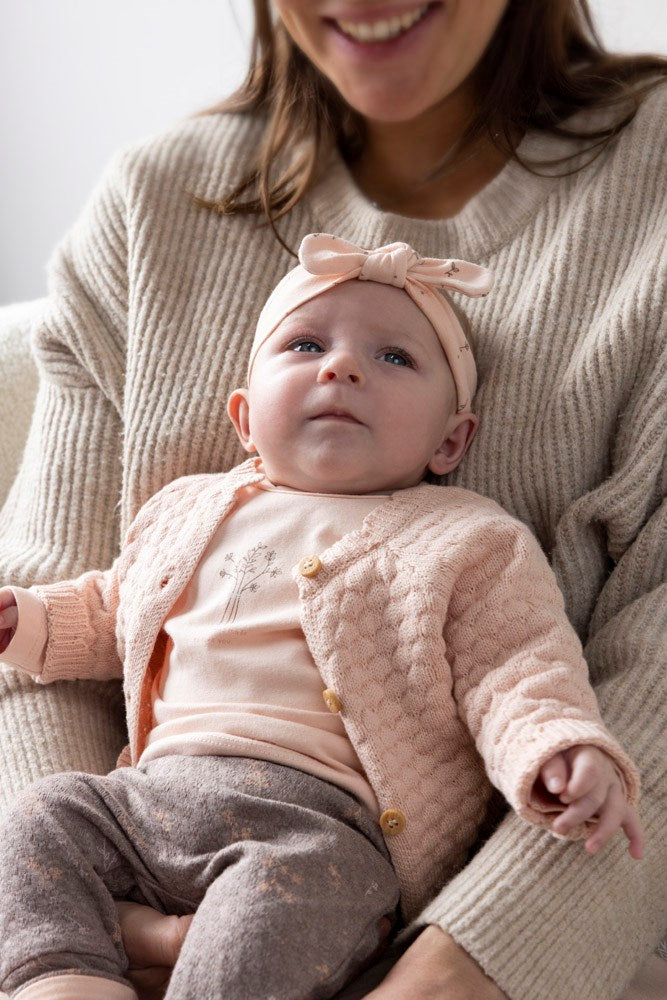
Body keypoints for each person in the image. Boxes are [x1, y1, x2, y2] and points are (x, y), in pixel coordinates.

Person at [0, 2, 664, 998]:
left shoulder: (466, 543)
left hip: (357, 879)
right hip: (135, 826)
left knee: (287, 895)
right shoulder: (189, 495)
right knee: (34, 825)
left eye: (394, 357)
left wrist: (553, 773)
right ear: (241, 412)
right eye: (305, 348)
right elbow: (86, 609)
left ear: (454, 442)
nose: (341, 373)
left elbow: (525, 671)